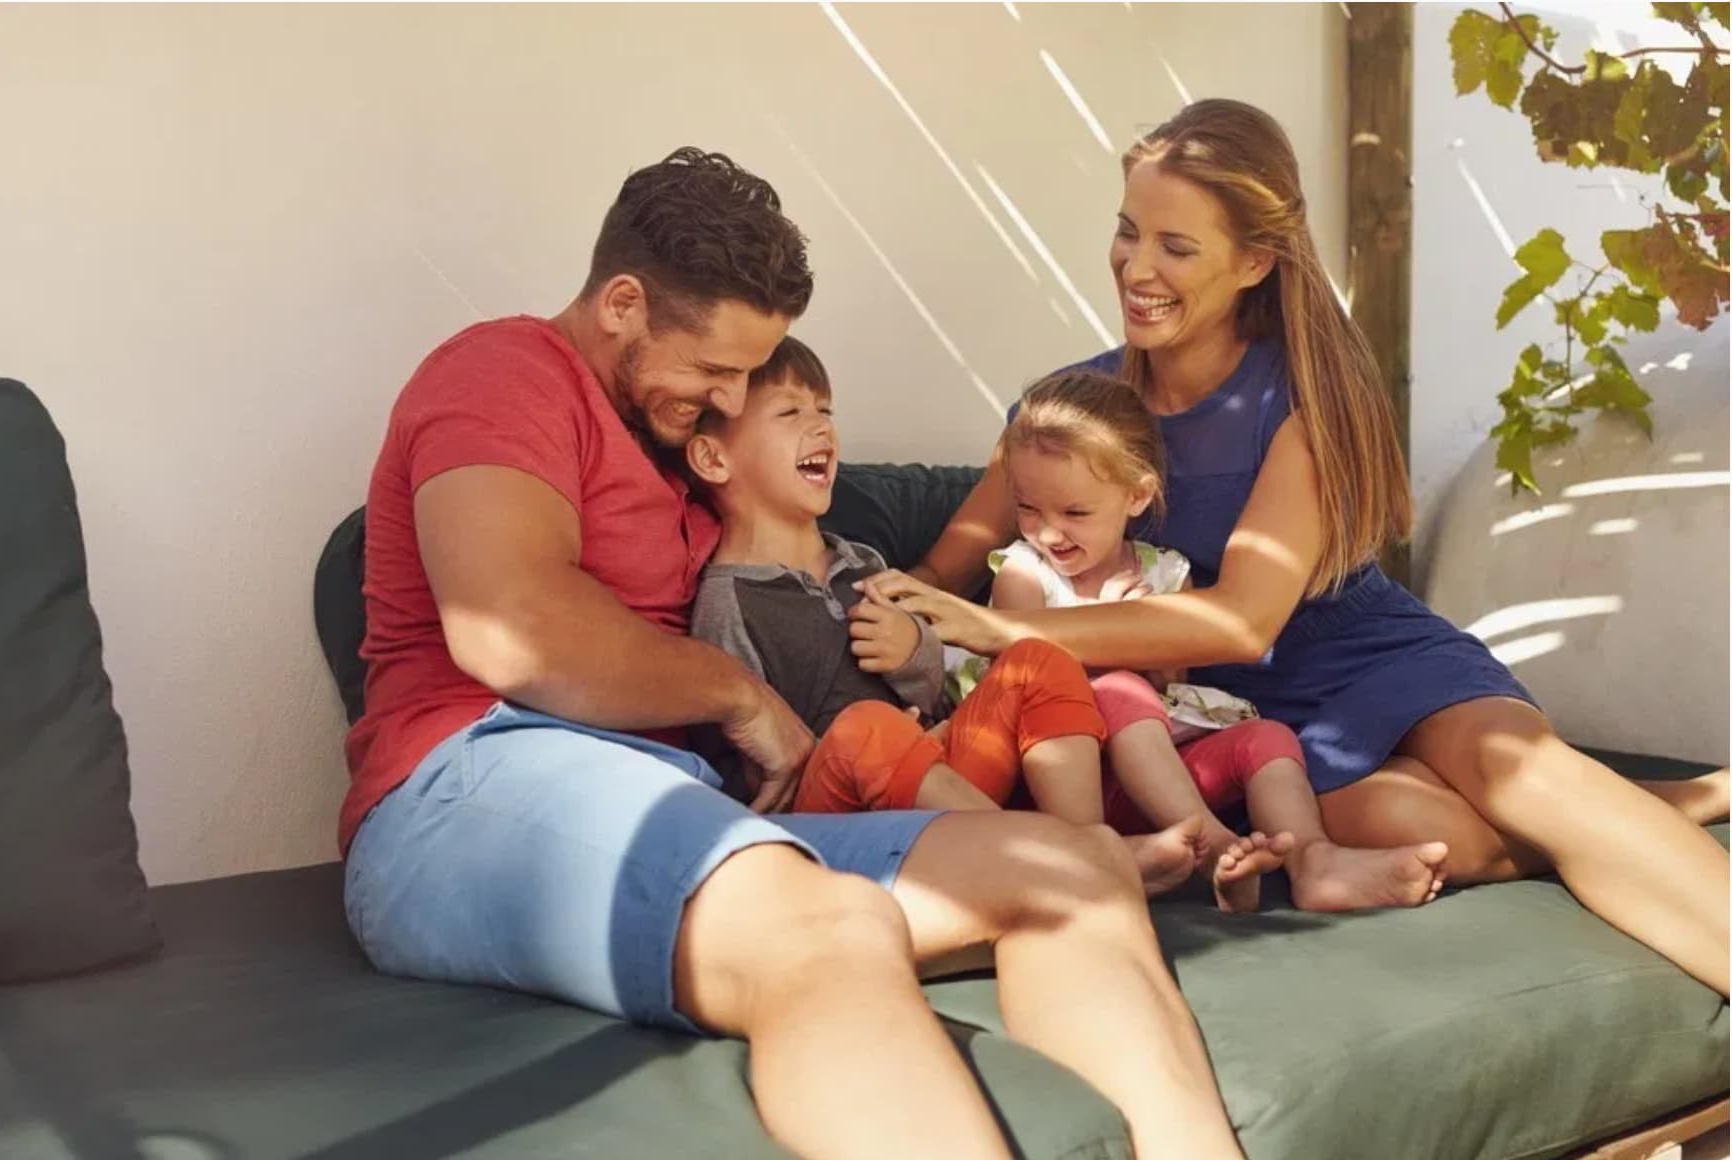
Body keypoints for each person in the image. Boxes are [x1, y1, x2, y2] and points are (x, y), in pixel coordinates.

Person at [340, 146, 1244, 1159]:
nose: (729, 399)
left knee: (1071, 864)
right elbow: (511, 623)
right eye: (717, 370)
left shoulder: (681, 452)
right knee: (828, 925)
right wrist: (741, 697)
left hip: (675, 797)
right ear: (624, 303)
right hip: (465, 780)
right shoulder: (502, 371)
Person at [867, 100, 1732, 996]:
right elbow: (942, 571)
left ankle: (1608, 811)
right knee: (1408, 821)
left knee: (1519, 772)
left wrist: (1007, 634)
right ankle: (1656, 807)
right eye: (1129, 233)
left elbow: (1246, 618)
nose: (1137, 265)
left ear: (1254, 261)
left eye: (1177, 245)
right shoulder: (1070, 413)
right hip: (1248, 717)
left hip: (1365, 651)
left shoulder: (1303, 398)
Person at [684, 335, 1234, 901]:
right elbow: (749, 762)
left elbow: (930, 687)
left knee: (1037, 658)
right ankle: (1071, 861)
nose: (822, 427)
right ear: (712, 457)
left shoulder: (862, 563)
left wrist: (911, 655)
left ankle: (1088, 845)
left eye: (824, 409)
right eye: (790, 412)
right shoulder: (730, 602)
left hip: (937, 777)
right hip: (831, 812)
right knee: (866, 727)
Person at [986, 367, 1450, 913]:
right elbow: (1031, 673)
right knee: (1117, 689)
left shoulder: (1167, 573)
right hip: (1060, 782)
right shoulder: (1023, 573)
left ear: (1137, 496)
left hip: (1145, 783)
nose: (1047, 532)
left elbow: (1172, 683)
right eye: (1027, 508)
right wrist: (1112, 624)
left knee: (1268, 737)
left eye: (1075, 513)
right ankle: (1213, 847)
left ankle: (1313, 862)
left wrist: (1149, 631)